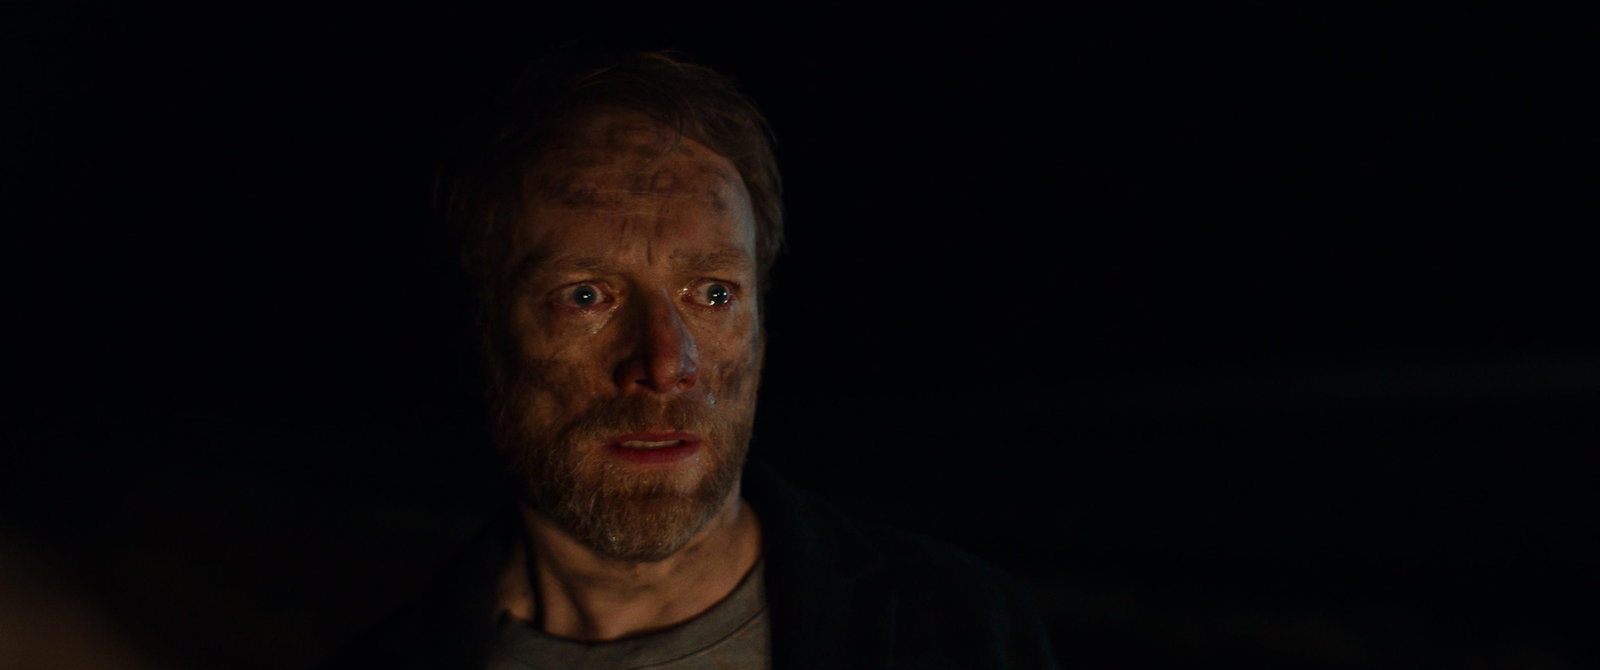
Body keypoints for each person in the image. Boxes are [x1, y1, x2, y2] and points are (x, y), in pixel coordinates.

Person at [328, 49, 1058, 670]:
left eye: (712, 293)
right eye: (585, 296)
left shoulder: (962, 629)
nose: (664, 363)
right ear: (484, 327)